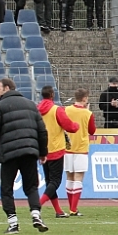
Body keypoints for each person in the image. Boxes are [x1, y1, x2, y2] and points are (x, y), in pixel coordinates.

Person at [0, 78, 50, 234]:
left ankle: (13, 223)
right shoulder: (31, 105)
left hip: (9, 153)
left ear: (7, 88)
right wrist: (43, 152)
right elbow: (42, 131)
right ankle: (36, 215)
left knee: (6, 189)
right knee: (31, 187)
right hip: (30, 152)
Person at [37, 85, 78, 219]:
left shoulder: (37, 110)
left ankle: (58, 211)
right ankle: (37, 205)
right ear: (52, 95)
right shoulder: (56, 110)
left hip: (42, 150)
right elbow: (70, 127)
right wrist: (76, 125)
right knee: (55, 181)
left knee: (49, 181)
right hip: (56, 149)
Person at [63, 88, 95, 217]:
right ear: (84, 98)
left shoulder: (66, 110)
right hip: (81, 148)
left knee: (69, 177)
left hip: (67, 147)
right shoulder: (87, 113)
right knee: (78, 178)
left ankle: (71, 207)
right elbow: (92, 131)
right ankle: (73, 209)